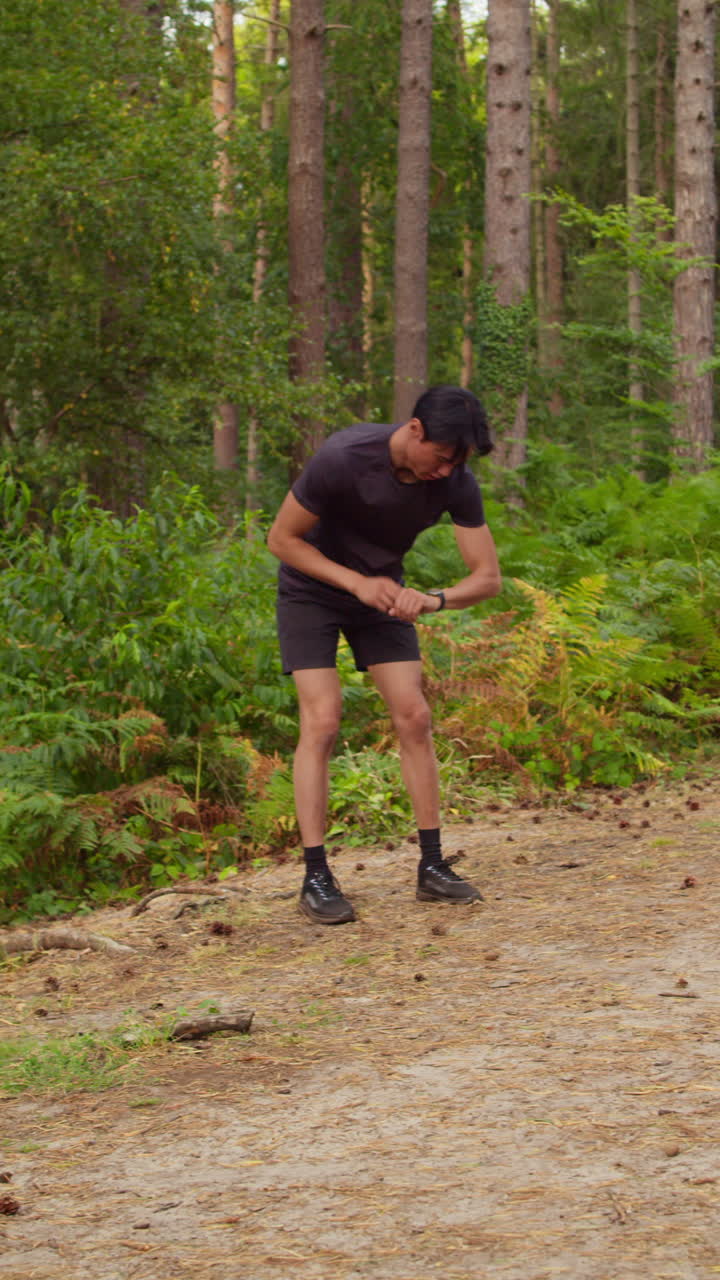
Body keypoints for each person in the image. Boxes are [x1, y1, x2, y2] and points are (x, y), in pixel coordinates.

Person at [266, 385, 502, 925]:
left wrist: (433, 599)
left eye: (457, 462)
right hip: (311, 591)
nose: (446, 471)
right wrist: (355, 583)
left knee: (414, 715)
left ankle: (432, 866)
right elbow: (281, 540)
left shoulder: (455, 481)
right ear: (415, 430)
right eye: (442, 457)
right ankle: (316, 876)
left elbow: (488, 578)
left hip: (384, 594)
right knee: (323, 720)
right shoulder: (343, 457)